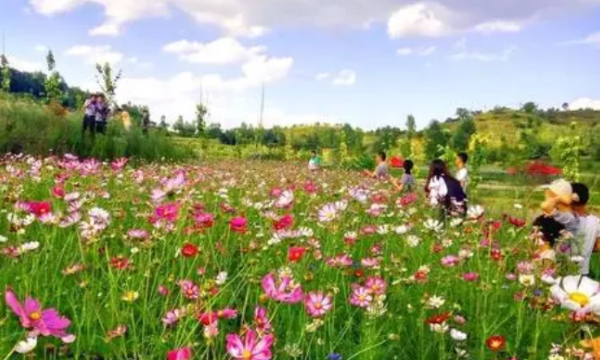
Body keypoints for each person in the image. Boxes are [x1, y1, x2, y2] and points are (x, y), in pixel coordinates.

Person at [571, 182, 599, 276]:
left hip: (562, 270)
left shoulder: (564, 220)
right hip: (583, 271)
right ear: (586, 199)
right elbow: (598, 247)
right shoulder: (596, 221)